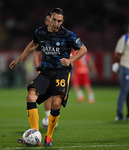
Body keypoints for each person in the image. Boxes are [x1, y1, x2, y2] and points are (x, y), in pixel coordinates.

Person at [10, 8, 87, 145]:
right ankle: (35, 133)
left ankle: (48, 137)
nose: (57, 23)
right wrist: (20, 59)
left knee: (56, 103)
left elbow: (83, 49)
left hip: (61, 73)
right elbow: (33, 44)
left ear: (62, 21)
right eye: (54, 20)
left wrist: (70, 61)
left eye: (60, 21)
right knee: (30, 96)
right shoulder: (41, 32)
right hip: (46, 72)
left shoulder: (67, 35)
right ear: (49, 19)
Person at [34, 11, 53, 126]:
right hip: (46, 69)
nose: (47, 23)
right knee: (47, 94)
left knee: (58, 96)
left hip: (59, 70)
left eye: (49, 20)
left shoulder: (62, 35)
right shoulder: (42, 35)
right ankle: (48, 117)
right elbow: (36, 54)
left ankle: (52, 115)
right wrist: (38, 69)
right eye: (46, 20)